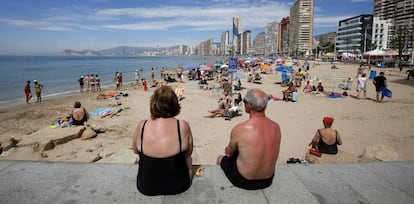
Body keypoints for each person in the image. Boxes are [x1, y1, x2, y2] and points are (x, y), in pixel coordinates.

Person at [132, 86, 193, 196]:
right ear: (175, 104)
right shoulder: (182, 126)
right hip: (179, 186)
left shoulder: (142, 125)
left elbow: (135, 150)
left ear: (153, 104)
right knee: (188, 158)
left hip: (146, 186)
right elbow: (188, 153)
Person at [216, 88, 281, 190]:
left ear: (249, 105)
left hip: (245, 180)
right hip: (268, 179)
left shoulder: (241, 129)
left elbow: (229, 154)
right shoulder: (276, 127)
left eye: (244, 101)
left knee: (221, 158)